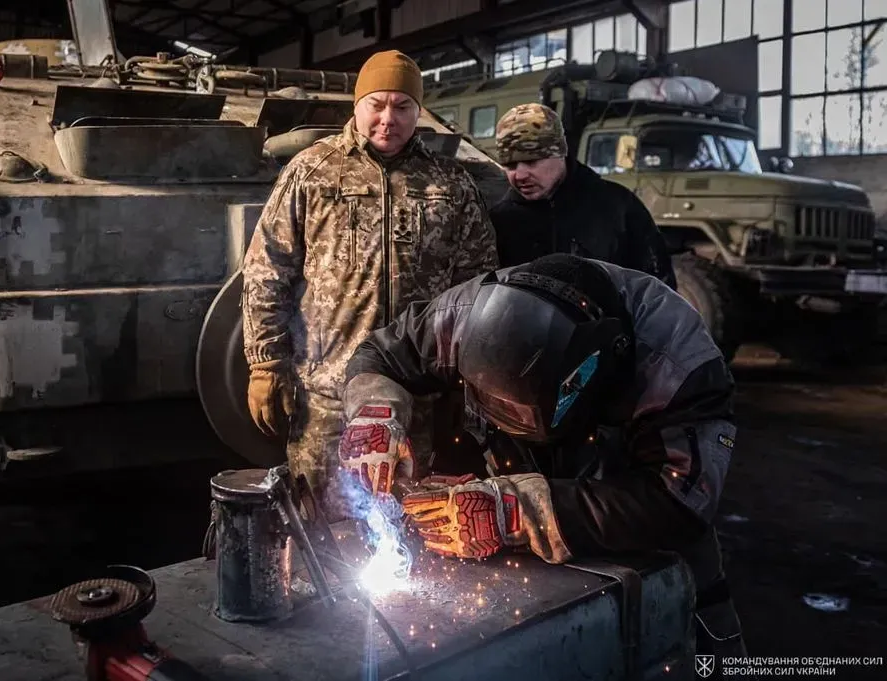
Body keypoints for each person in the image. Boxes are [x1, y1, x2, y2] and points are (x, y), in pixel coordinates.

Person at [337, 253, 744, 655]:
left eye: (521, 414)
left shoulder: (680, 366)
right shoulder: (461, 318)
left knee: (689, 648)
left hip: (650, 545)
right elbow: (383, 354)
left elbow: (679, 506)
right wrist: (375, 414)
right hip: (524, 545)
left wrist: (517, 510)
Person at [241, 49, 499, 516]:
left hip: (413, 396)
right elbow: (266, 270)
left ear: (418, 112)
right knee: (317, 526)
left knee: (401, 529)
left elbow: (476, 288)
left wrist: (468, 380)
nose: (388, 118)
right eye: (376, 103)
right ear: (356, 105)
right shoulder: (311, 172)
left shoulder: (450, 184)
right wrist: (265, 364)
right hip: (325, 395)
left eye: (402, 107)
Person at [489, 103, 676, 288]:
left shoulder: (617, 208)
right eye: (510, 165)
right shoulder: (499, 221)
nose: (519, 175)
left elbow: (658, 290)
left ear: (560, 153)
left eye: (531, 161)